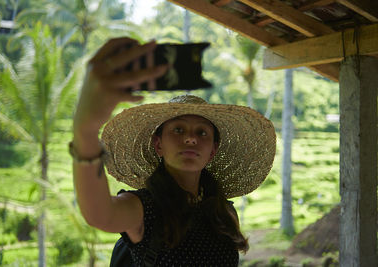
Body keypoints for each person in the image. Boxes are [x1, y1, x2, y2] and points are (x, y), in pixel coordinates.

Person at [71, 37, 276, 266]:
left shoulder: (223, 212)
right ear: (158, 145)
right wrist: (85, 132)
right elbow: (99, 214)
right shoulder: (143, 208)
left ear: (212, 151)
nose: (190, 138)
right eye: (178, 130)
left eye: (202, 133)